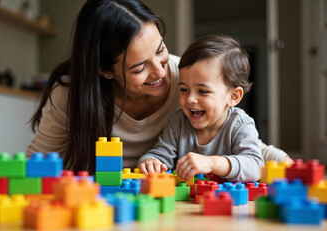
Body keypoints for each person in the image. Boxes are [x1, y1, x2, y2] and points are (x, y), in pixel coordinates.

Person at [27, 0, 292, 175]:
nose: (160, 72)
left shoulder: (187, 79)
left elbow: (248, 147)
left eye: (161, 50)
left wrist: (289, 166)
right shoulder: (71, 93)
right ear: (105, 71)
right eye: (140, 67)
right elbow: (37, 163)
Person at [138, 35, 268, 182]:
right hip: (188, 202)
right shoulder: (178, 122)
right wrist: (151, 162)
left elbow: (255, 166)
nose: (190, 99)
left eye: (203, 91)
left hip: (229, 201)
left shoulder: (240, 124)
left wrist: (212, 163)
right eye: (184, 90)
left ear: (233, 96)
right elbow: (161, 154)